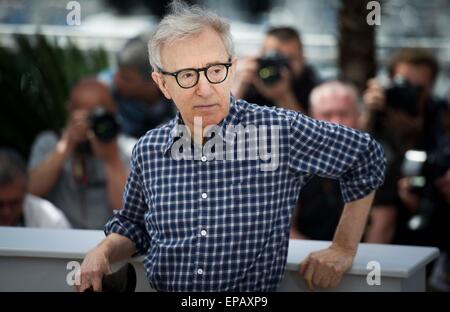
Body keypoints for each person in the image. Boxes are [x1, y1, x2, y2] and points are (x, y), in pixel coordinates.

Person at [77, 1, 385, 292]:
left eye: (215, 70)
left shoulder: (280, 131)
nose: (205, 89)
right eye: (186, 75)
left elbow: (366, 157)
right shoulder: (149, 149)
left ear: (232, 67)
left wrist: (343, 248)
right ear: (162, 84)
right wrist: (102, 251)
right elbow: (134, 226)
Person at [290, 81, 396, 244]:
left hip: (363, 261)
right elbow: (284, 228)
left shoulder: (377, 159)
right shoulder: (293, 161)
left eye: (343, 114)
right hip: (304, 259)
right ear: (311, 119)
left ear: (359, 117)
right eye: (327, 114)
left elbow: (382, 228)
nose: (336, 123)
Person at [28, 79, 134, 229]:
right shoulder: (50, 143)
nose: (92, 123)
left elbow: (131, 212)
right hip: (59, 240)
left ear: (114, 110)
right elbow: (30, 192)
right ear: (69, 110)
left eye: (99, 114)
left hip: (111, 243)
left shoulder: (130, 149)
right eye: (86, 116)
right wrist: (65, 147)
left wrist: (112, 160)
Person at [98, 32, 176, 138]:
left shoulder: (180, 104)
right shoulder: (104, 89)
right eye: (117, 72)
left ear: (156, 81)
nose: (117, 81)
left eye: (126, 79)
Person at [232, 26, 319, 113]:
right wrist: (240, 85)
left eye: (288, 59)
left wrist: (283, 96)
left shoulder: (311, 85)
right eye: (274, 58)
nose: (281, 67)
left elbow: (309, 125)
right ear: (261, 55)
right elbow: (224, 120)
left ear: (302, 59)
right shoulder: (251, 76)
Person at [0, 148, 70, 228]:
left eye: (14, 203)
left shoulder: (49, 218)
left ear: (25, 191)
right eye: (0, 204)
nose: (6, 212)